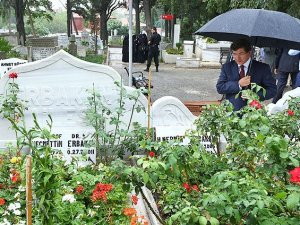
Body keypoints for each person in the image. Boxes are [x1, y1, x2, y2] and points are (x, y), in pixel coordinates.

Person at [216, 38, 277, 111]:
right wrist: (238, 84)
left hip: (254, 112)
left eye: (241, 54)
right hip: (231, 111)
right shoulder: (227, 67)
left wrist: (254, 96)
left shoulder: (262, 68)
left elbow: (272, 90)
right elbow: (220, 87)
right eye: (234, 54)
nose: (237, 58)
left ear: (249, 53)